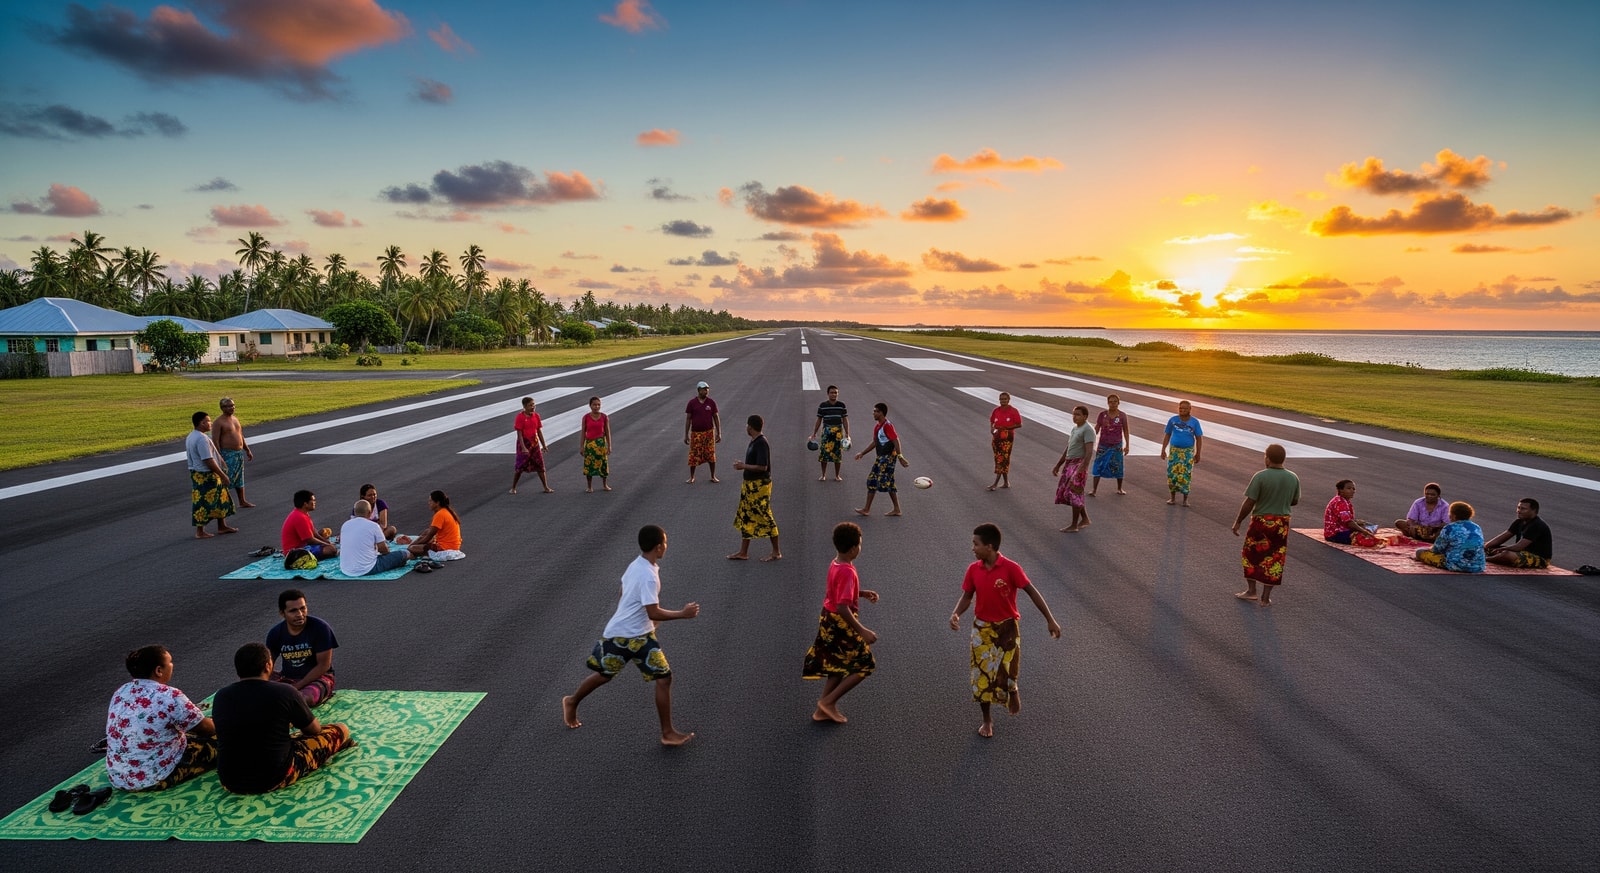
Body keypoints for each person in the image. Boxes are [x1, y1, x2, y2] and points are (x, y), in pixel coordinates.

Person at [561, 525, 699, 746]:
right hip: (624, 636)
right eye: (665, 542)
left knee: (662, 678)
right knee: (606, 675)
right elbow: (653, 610)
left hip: (635, 634)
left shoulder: (637, 565)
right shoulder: (648, 576)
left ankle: (667, 733)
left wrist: (643, 621)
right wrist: (682, 614)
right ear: (658, 547)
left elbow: (623, 592)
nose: (666, 546)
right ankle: (572, 701)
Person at [948, 523, 1061, 738]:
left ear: (989, 547)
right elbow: (966, 597)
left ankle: (1012, 688)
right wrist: (956, 614)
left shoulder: (1011, 568)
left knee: (1008, 671)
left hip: (1008, 628)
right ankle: (987, 720)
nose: (972, 548)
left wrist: (1050, 620)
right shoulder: (973, 569)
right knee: (980, 676)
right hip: (982, 629)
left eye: (976, 544)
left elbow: (1032, 592)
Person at [213, 642, 354, 795]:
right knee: (340, 729)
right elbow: (313, 730)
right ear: (268, 666)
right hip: (274, 777)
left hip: (230, 781)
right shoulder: (285, 692)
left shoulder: (221, 696)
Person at [104, 645, 217, 791]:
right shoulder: (170, 696)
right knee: (228, 740)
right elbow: (206, 729)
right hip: (154, 777)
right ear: (158, 670)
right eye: (170, 662)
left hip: (118, 777)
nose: (172, 665)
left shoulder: (122, 691)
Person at [802, 522, 879, 724]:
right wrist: (862, 630)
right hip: (840, 622)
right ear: (853, 548)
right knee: (865, 665)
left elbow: (838, 592)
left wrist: (860, 593)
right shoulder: (847, 571)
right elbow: (843, 606)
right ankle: (828, 702)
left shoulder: (836, 563)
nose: (860, 548)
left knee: (836, 665)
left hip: (827, 618)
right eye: (860, 545)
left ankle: (822, 707)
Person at [1231, 444, 1301, 606]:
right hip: (1281, 524)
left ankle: (1251, 591)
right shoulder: (1293, 477)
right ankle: (1265, 597)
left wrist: (1238, 521)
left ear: (1267, 458)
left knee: (1251, 554)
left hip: (1261, 521)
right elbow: (1295, 501)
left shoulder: (1261, 476)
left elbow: (1250, 502)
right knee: (1275, 557)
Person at [266, 589, 338, 708]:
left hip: (318, 678)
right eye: (293, 611)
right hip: (287, 677)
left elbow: (324, 665)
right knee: (254, 686)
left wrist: (296, 687)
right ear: (282, 613)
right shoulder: (275, 633)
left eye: (302, 608)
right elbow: (268, 664)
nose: (300, 614)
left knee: (303, 699)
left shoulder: (320, 628)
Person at [728, 414, 782, 561]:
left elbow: (763, 467)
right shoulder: (754, 441)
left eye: (747, 425)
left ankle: (776, 551)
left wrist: (743, 466)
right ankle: (743, 552)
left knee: (764, 515)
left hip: (759, 485)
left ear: (750, 427)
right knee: (746, 515)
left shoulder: (761, 443)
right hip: (750, 485)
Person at [186, 410, 237, 538]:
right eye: (208, 421)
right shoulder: (201, 439)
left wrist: (221, 461)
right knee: (203, 502)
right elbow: (207, 459)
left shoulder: (192, 436)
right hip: (206, 474)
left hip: (199, 473)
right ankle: (200, 531)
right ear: (201, 423)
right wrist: (222, 474)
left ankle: (222, 525)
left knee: (221, 498)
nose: (210, 423)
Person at [853, 402, 905, 517]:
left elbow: (896, 440)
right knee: (874, 481)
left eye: (875, 411)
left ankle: (895, 509)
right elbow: (875, 443)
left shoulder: (887, 425)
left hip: (888, 458)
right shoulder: (877, 426)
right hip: (880, 458)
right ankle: (868, 509)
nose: (873, 413)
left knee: (886, 481)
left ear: (881, 413)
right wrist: (862, 453)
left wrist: (900, 456)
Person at [339, 499, 409, 576]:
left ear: (355, 513)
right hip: (367, 569)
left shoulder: (345, 525)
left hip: (346, 569)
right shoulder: (373, 526)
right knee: (404, 554)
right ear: (369, 513)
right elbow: (383, 550)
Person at [1053, 405, 1095, 532]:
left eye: (1078, 414)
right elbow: (1069, 448)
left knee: (1074, 492)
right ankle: (1085, 519)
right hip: (1070, 463)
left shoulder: (1088, 430)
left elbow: (1089, 452)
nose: (1074, 417)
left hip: (1079, 464)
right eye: (1073, 414)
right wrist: (1058, 464)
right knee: (1072, 492)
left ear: (1085, 416)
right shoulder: (1075, 428)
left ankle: (1074, 525)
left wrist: (1081, 469)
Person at [1414, 501, 1486, 573]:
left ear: (1454, 516)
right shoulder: (1477, 527)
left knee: (1419, 552)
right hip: (1478, 566)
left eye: (1450, 513)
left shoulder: (1449, 528)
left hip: (1455, 565)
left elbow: (1436, 549)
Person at [1485, 497, 1554, 569]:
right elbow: (1501, 538)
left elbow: (1518, 547)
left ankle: (1487, 559)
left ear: (1534, 511)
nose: (1519, 511)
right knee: (1486, 545)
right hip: (1521, 552)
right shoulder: (1518, 522)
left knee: (1506, 554)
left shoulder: (1537, 525)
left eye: (1523, 509)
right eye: (1518, 508)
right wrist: (1487, 546)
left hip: (1538, 558)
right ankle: (1496, 557)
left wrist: (1502, 550)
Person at [213, 397, 255, 508]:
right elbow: (215, 440)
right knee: (227, 479)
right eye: (228, 406)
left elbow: (240, 436)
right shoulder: (218, 422)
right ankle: (221, 503)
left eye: (233, 405)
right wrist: (219, 456)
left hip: (238, 453)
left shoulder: (235, 419)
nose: (232, 408)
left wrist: (247, 449)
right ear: (222, 408)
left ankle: (242, 501)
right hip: (227, 454)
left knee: (239, 478)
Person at [1160, 400, 1204, 506]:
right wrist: (1163, 449)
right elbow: (1167, 435)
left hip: (1187, 452)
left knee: (1186, 474)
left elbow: (1199, 438)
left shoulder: (1194, 422)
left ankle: (1185, 499)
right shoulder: (1173, 420)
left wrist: (1198, 453)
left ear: (1190, 409)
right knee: (1172, 473)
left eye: (1185, 408)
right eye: (1180, 408)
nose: (1182, 410)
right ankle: (1172, 498)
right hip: (1174, 451)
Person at [1090, 393, 1131, 496]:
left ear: (1119, 403)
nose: (1113, 404)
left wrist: (1127, 445)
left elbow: (1126, 430)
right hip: (1103, 445)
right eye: (1111, 402)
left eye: (1115, 402)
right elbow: (1097, 428)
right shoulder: (1102, 415)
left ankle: (1119, 488)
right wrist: (1090, 440)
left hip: (1117, 445)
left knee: (1118, 466)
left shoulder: (1122, 416)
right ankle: (1094, 490)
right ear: (1108, 403)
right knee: (1098, 466)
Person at [511, 396, 553, 495]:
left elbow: (538, 430)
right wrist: (523, 447)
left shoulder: (536, 416)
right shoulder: (520, 417)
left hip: (534, 443)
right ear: (524, 407)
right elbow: (519, 434)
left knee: (540, 465)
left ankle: (546, 487)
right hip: (524, 443)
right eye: (530, 405)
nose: (533, 407)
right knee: (520, 466)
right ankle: (513, 487)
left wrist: (544, 445)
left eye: (534, 404)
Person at [406, 490, 464, 560]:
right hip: (454, 545)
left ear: (437, 503)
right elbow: (429, 532)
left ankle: (419, 553)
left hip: (445, 547)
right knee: (426, 531)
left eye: (431, 501)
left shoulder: (440, 515)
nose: (429, 503)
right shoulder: (446, 511)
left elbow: (429, 536)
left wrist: (413, 545)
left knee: (412, 548)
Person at [280, 490, 338, 559]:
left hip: (302, 546)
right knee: (331, 550)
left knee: (323, 533)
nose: (314, 502)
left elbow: (313, 531)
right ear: (305, 504)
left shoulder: (302, 513)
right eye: (313, 501)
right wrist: (327, 544)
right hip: (295, 553)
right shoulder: (300, 517)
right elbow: (310, 539)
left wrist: (326, 541)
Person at [684, 380, 721, 484]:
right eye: (704, 389)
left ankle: (713, 476)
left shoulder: (711, 402)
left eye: (707, 389)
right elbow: (688, 419)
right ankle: (692, 477)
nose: (706, 391)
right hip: (696, 434)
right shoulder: (692, 403)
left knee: (710, 454)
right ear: (699, 390)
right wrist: (686, 434)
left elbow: (716, 417)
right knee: (693, 455)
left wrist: (719, 432)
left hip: (709, 433)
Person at [810, 384, 850, 481]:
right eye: (832, 393)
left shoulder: (841, 405)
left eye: (835, 393)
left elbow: (845, 420)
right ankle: (823, 475)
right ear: (828, 394)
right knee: (824, 454)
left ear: (838, 394)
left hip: (838, 433)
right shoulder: (823, 406)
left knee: (838, 454)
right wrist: (814, 433)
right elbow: (819, 420)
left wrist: (847, 434)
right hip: (826, 432)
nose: (834, 395)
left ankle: (837, 475)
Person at [1323, 480, 1380, 546]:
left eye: (1353, 489)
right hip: (1335, 534)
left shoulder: (1343, 500)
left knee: (1368, 526)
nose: (1352, 491)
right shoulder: (1340, 502)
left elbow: (1347, 520)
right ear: (1340, 490)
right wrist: (1364, 531)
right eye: (1349, 488)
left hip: (1339, 530)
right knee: (1366, 535)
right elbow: (1349, 523)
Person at [988, 392, 1022, 491]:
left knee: (1001, 459)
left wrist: (1007, 428)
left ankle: (995, 483)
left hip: (1007, 438)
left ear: (1008, 400)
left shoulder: (1013, 411)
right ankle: (1006, 482)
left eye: (1005, 399)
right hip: (997, 437)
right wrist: (992, 429)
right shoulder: (996, 410)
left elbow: (1019, 424)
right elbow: (992, 421)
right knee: (1001, 459)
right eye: (1001, 399)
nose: (1003, 401)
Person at [581, 396, 612, 492]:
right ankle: (589, 486)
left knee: (603, 464)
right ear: (590, 405)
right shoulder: (586, 417)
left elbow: (607, 432)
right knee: (589, 465)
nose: (596, 407)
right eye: (594, 405)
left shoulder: (604, 417)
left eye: (598, 405)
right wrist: (581, 446)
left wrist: (609, 446)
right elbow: (583, 433)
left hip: (601, 444)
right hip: (590, 444)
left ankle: (605, 484)